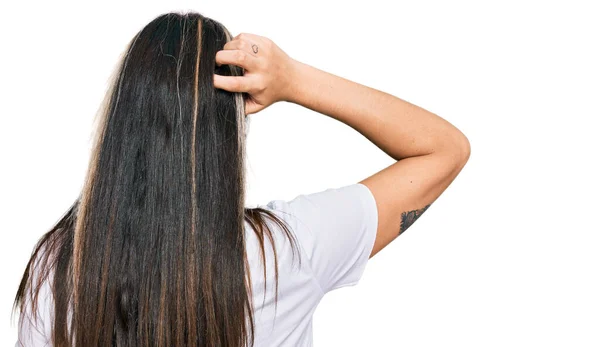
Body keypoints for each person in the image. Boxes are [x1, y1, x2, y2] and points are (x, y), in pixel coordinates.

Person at [13, 11, 470, 347]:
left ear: (121, 123)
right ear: (227, 133)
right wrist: (293, 81)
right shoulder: (287, 252)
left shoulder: (55, 272)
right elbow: (443, 149)